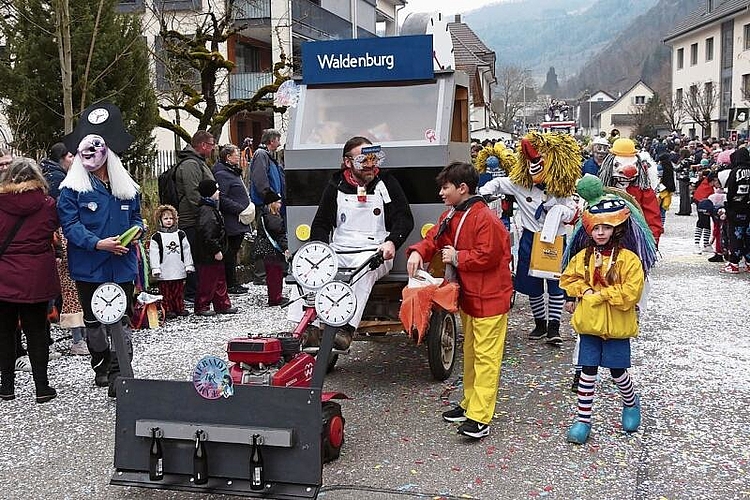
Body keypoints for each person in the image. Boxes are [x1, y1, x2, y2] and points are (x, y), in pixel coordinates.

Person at [406, 161, 513, 439]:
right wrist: (418, 251)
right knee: (474, 355)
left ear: (462, 188)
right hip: (473, 297)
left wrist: (458, 258)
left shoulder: (483, 218)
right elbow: (433, 239)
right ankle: (470, 405)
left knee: (486, 358)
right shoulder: (455, 215)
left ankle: (480, 416)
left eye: (445, 187)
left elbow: (489, 255)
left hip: (489, 298)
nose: (441, 192)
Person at [288, 136, 414, 350]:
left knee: (362, 271)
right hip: (339, 249)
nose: (369, 166)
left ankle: (346, 329)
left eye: (373, 159)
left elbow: (404, 218)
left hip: (374, 250)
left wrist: (392, 242)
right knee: (307, 272)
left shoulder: (386, 183)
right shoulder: (335, 185)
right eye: (363, 161)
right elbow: (321, 223)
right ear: (348, 163)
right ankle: (305, 327)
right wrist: (317, 252)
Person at [560, 175, 657, 445]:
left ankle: (630, 401)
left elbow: (631, 292)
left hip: (616, 326)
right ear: (588, 229)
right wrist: (583, 291)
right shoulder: (584, 257)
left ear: (616, 228)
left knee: (617, 372)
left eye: (606, 227)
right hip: (589, 324)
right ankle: (582, 419)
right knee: (588, 369)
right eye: (596, 228)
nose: (600, 232)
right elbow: (569, 278)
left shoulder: (629, 259)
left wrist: (602, 294)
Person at [57, 101, 143, 397]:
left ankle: (121, 372)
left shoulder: (127, 187)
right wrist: (98, 243)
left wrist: (137, 233)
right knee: (95, 320)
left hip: (122, 264)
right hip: (89, 266)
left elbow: (137, 217)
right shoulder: (71, 190)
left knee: (122, 317)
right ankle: (102, 364)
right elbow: (71, 227)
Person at [479, 131, 581, 345]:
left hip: (556, 240)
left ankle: (554, 326)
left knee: (556, 284)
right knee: (532, 285)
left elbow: (574, 211)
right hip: (530, 238)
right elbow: (498, 184)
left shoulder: (561, 186)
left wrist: (563, 212)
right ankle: (540, 323)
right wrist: (486, 191)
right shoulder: (520, 183)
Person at [0, 158, 61, 403]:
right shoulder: (48, 205)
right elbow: (54, 231)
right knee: (36, 331)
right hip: (36, 276)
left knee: (4, 332)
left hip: (3, 275)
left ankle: (6, 387)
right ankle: (42, 387)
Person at [40, 143, 86, 355]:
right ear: (61, 158)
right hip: (66, 238)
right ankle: (78, 338)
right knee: (71, 287)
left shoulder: (52, 176)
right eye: (70, 156)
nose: (73, 159)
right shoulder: (60, 181)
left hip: (64, 237)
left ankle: (79, 335)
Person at [175, 131, 216, 302]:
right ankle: (192, 292)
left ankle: (200, 289)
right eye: (212, 144)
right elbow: (193, 194)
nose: (214, 148)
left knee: (199, 255)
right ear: (203, 145)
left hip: (197, 217)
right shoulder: (191, 164)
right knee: (193, 255)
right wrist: (208, 207)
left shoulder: (197, 162)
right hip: (192, 219)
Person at [599, 138, 663, 246]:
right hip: (606, 238)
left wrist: (652, 239)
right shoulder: (602, 188)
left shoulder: (643, 190)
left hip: (634, 238)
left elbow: (652, 216)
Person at [193, 180, 237, 316]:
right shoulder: (207, 211)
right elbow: (208, 233)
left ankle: (222, 304)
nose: (218, 192)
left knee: (219, 279)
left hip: (213, 252)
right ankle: (202, 305)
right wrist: (216, 250)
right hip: (208, 254)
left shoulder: (209, 209)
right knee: (208, 280)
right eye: (216, 190)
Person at [213, 144, 252, 294]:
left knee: (233, 251)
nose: (239, 156)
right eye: (236, 154)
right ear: (228, 157)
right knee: (230, 252)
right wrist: (239, 208)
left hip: (238, 219)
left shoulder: (232, 172)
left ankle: (233, 281)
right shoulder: (222, 174)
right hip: (231, 220)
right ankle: (231, 283)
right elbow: (221, 197)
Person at [248, 129, 284, 286]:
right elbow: (260, 179)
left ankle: (270, 272)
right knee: (264, 238)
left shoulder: (267, 156)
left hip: (271, 202)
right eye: (278, 140)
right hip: (266, 203)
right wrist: (270, 198)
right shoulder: (261, 155)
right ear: (271, 141)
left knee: (272, 237)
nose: (279, 143)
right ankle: (261, 274)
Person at [149, 205, 194, 319]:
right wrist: (155, 268)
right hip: (164, 269)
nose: (168, 221)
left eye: (171, 218)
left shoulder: (180, 234)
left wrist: (188, 265)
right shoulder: (156, 237)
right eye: (165, 218)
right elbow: (154, 254)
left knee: (178, 290)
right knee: (166, 292)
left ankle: (179, 308)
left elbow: (186, 250)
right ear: (160, 220)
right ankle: (168, 309)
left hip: (178, 267)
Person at [253, 191, 290, 306]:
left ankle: (275, 296)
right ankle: (275, 298)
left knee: (273, 275)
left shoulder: (265, 216)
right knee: (275, 275)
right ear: (272, 204)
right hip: (272, 251)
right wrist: (285, 248)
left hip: (267, 251)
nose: (280, 205)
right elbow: (280, 236)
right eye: (278, 203)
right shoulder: (273, 218)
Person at [723, 147, 750, 273]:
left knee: (736, 236)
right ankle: (749, 262)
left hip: (736, 209)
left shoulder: (735, 171)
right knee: (748, 235)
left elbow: (729, 191)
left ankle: (734, 263)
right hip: (748, 208)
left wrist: (728, 206)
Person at [656, 153, 676, 228]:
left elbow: (658, 179)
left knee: (657, 209)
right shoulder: (670, 166)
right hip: (668, 191)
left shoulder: (660, 167)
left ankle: (657, 225)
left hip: (660, 191)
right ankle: (662, 225)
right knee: (663, 210)